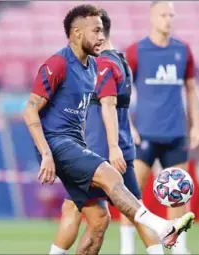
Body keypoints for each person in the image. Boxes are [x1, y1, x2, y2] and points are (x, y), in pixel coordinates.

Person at [23, 4, 195, 255]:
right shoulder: (58, 63)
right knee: (111, 177)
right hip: (56, 143)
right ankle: (162, 227)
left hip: (75, 144)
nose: (102, 37)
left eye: (103, 31)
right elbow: (29, 109)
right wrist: (46, 154)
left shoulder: (92, 67)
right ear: (77, 33)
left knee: (99, 221)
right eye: (96, 31)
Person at [49, 9, 166, 255]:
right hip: (123, 148)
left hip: (97, 150)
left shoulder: (100, 64)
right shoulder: (121, 62)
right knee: (136, 212)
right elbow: (121, 106)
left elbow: (108, 105)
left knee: (72, 210)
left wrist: (111, 147)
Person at [123, 1, 199, 254]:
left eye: (171, 15)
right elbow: (120, 93)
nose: (168, 19)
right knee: (131, 196)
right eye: (163, 15)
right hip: (143, 135)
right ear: (152, 17)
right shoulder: (136, 51)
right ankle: (127, 248)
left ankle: (179, 247)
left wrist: (196, 125)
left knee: (178, 195)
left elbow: (191, 89)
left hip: (175, 134)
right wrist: (128, 127)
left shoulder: (183, 51)